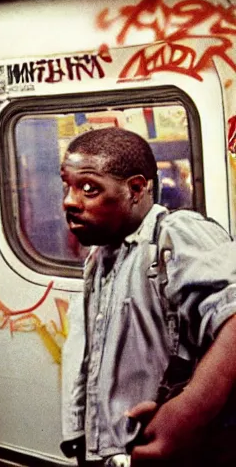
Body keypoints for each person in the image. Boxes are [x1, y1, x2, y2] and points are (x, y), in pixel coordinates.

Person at [59, 127, 236, 466]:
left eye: (88, 188)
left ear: (136, 189)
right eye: (66, 185)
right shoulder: (101, 256)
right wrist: (78, 432)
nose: (69, 201)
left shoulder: (175, 234)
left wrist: (187, 412)